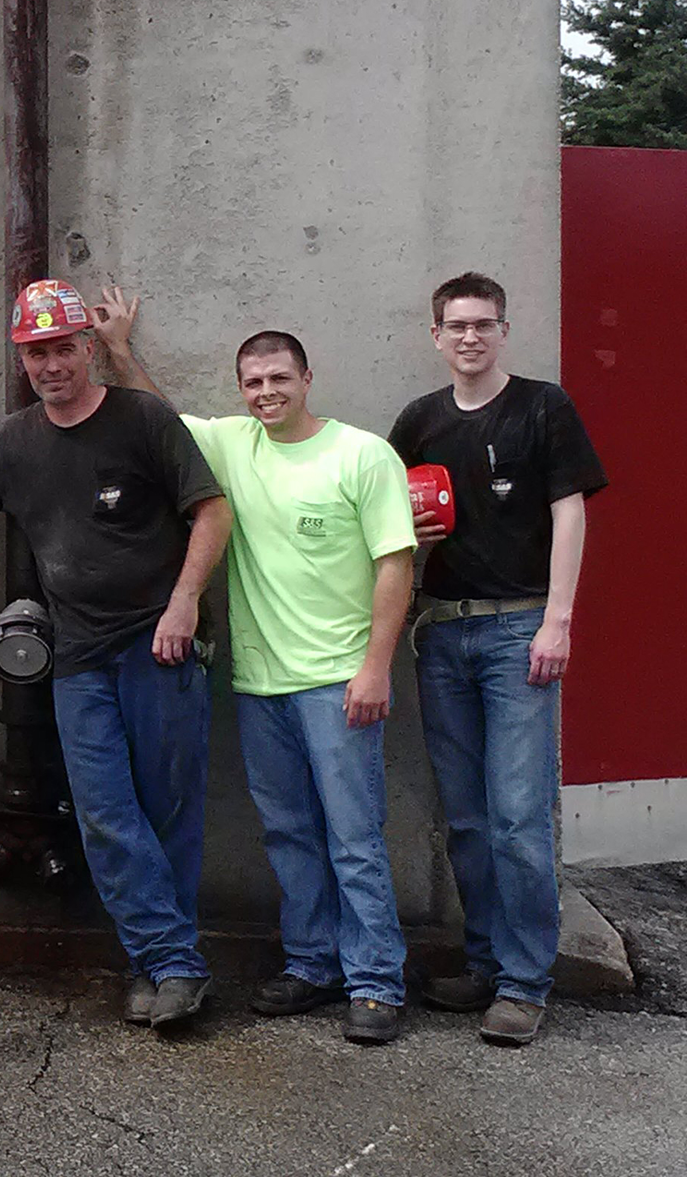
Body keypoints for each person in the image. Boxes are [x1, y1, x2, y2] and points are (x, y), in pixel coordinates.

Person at [0, 279, 231, 1032]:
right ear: (24, 359)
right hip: (79, 659)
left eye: (61, 348)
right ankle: (174, 960)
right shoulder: (14, 442)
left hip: (162, 648)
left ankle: (158, 964)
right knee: (105, 814)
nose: (50, 365)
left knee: (167, 811)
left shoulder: (142, 420)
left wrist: (184, 602)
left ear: (88, 347)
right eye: (35, 353)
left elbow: (212, 510)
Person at [96, 296, 416, 1045]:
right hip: (261, 683)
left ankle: (376, 981)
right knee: (288, 833)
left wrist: (375, 669)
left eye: (278, 378)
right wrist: (116, 349)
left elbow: (396, 565)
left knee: (354, 836)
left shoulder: (362, 455)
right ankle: (313, 964)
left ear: (308, 377)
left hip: (339, 680)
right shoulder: (234, 446)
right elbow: (160, 420)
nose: (266, 392)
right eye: (252, 383)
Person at [390, 272, 607, 1046]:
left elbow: (570, 511)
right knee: (470, 820)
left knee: (518, 819)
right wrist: (412, 539)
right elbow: (389, 522)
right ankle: (483, 963)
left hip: (520, 634)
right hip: (442, 632)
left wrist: (559, 621)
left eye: (484, 324)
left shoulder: (543, 407)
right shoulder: (419, 421)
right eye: (457, 325)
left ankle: (523, 983)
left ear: (503, 331)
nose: (471, 337)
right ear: (437, 336)